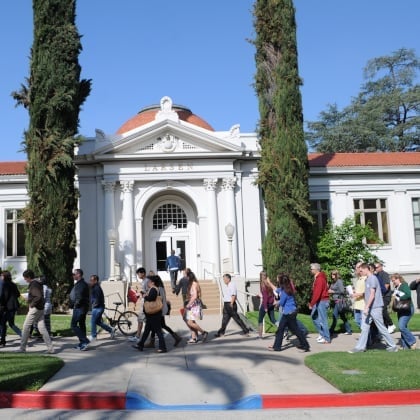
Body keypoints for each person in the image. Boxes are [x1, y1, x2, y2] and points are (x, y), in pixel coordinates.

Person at [348, 263, 397, 353]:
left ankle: (392, 346)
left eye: (361, 270)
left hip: (375, 307)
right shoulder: (367, 279)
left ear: (366, 269)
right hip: (370, 307)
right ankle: (360, 347)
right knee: (364, 327)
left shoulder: (372, 279)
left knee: (381, 327)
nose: (360, 272)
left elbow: (372, 294)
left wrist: (366, 307)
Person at [268, 274, 310, 353]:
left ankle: (305, 346)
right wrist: (269, 283)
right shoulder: (287, 288)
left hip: (289, 314)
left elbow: (282, 303)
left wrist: (275, 303)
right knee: (286, 329)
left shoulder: (285, 292)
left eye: (279, 281)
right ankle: (277, 347)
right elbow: (277, 290)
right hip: (290, 313)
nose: (278, 282)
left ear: (281, 282)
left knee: (289, 330)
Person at [17, 269, 54, 354]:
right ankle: (50, 348)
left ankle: (22, 348)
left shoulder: (33, 284)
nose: (25, 280)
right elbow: (39, 296)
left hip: (35, 309)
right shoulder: (38, 283)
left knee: (26, 327)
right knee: (42, 328)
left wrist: (32, 304)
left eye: (25, 278)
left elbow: (38, 296)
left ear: (29, 277)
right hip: (41, 308)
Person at [143, 275, 182, 348]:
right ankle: (175, 337)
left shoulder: (158, 288)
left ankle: (154, 342)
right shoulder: (160, 288)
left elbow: (157, 300)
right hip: (161, 309)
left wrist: (146, 295)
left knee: (156, 326)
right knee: (161, 325)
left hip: (159, 309)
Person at [132, 276, 167, 353]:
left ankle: (163, 348)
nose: (147, 283)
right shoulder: (152, 289)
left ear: (152, 283)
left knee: (158, 331)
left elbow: (152, 298)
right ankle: (140, 345)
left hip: (154, 314)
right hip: (151, 315)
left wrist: (145, 296)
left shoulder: (154, 289)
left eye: (149, 281)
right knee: (147, 331)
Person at [215, 273, 250, 338]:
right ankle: (221, 333)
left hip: (230, 304)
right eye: (223, 279)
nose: (224, 280)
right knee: (224, 320)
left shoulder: (232, 285)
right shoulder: (228, 285)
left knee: (237, 319)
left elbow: (233, 295)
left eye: (225, 279)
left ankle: (246, 331)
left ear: (228, 279)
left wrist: (231, 304)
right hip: (226, 304)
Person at [391, 273, 417, 350]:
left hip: (407, 308)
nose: (393, 282)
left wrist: (398, 297)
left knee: (401, 326)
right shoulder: (397, 287)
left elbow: (408, 295)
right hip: (401, 309)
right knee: (403, 327)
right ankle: (406, 347)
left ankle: (412, 341)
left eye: (394, 280)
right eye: (392, 281)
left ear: (398, 278)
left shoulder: (404, 285)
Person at [88, 275, 116, 343]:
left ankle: (93, 336)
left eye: (92, 280)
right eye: (90, 280)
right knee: (98, 322)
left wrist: (94, 305)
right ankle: (111, 330)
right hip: (98, 307)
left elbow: (97, 299)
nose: (90, 282)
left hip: (97, 308)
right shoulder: (94, 287)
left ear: (96, 281)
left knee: (93, 321)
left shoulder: (97, 288)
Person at [183, 271, 208, 343]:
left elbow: (195, 296)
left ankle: (203, 332)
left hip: (194, 305)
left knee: (190, 322)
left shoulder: (194, 284)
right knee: (191, 321)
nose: (186, 278)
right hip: (193, 304)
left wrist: (188, 304)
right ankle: (194, 338)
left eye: (186, 276)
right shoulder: (193, 283)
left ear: (189, 277)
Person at [309, 263, 331, 344]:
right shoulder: (318, 277)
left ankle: (327, 338)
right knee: (313, 316)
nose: (310, 270)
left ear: (316, 269)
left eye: (311, 269)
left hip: (322, 301)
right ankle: (322, 334)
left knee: (323, 320)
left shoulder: (320, 278)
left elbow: (317, 293)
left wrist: (312, 304)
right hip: (319, 301)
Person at [69, 268, 90, 351]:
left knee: (73, 325)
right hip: (82, 307)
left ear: (78, 275)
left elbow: (79, 297)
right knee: (81, 325)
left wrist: (75, 305)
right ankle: (82, 343)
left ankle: (85, 341)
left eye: (74, 274)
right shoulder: (80, 283)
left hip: (79, 308)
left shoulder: (81, 284)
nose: (73, 276)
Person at [0, 270, 22, 346]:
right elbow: (18, 294)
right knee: (10, 323)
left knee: (3, 323)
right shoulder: (13, 284)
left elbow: (3, 296)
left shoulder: (4, 285)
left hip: (7, 307)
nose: (1, 277)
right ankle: (23, 336)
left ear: (4, 276)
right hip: (13, 306)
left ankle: (3, 341)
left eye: (2, 275)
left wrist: (2, 305)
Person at [328, 270, 352, 336]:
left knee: (334, 315)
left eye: (333, 274)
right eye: (331, 274)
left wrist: (333, 292)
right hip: (335, 301)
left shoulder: (339, 281)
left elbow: (342, 291)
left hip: (339, 301)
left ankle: (330, 331)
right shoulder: (333, 282)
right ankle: (349, 330)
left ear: (336, 275)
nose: (332, 275)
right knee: (343, 316)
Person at [375, 262, 396, 334]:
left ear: (381, 267)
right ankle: (386, 327)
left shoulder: (385, 274)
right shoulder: (376, 275)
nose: (376, 269)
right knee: (380, 312)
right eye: (375, 268)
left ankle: (391, 324)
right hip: (379, 296)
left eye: (377, 267)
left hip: (386, 296)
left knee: (383, 309)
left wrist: (379, 293)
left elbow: (386, 287)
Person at [257, 271, 276, 339]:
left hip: (266, 304)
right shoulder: (269, 283)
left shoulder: (263, 285)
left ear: (261, 276)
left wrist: (265, 307)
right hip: (271, 304)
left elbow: (265, 297)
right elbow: (272, 294)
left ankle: (260, 336)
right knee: (273, 320)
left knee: (260, 319)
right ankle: (284, 329)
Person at [352, 262, 365, 328]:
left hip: (363, 304)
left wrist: (358, 294)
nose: (355, 269)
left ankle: (366, 337)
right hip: (357, 304)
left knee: (364, 323)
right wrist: (354, 291)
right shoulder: (358, 279)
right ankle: (365, 335)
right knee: (357, 321)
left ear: (361, 268)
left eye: (356, 267)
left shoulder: (366, 278)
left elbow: (367, 292)